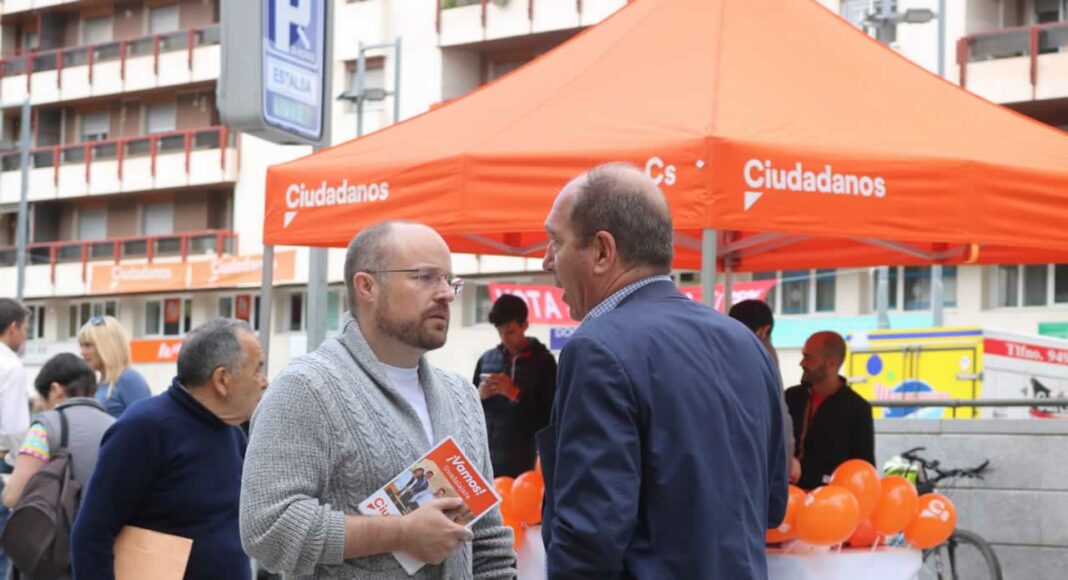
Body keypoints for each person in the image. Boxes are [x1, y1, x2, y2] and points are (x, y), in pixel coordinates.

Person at [537, 163, 787, 578]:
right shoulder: (745, 342)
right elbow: (772, 505)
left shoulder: (597, 347)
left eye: (555, 242)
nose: (547, 260)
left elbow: (590, 538)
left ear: (602, 252)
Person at [240, 221, 515, 579]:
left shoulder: (461, 395)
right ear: (367, 286)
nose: (446, 294)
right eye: (425, 277)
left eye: (449, 280)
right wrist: (400, 533)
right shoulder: (306, 388)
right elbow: (268, 528)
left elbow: (487, 540)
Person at [71, 319, 267, 579]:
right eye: (257, 370)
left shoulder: (232, 433)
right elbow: (91, 534)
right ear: (222, 379)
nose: (264, 382)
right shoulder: (145, 428)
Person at [2, 353, 114, 510]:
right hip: (107, 522)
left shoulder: (45, 428)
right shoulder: (116, 426)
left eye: (42, 397)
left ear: (56, 390)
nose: (40, 404)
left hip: (61, 523)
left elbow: (13, 496)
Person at [472, 294, 556, 478]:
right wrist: (479, 396)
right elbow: (469, 408)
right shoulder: (486, 359)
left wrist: (516, 395)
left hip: (525, 462)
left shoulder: (544, 363)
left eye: (510, 332)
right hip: (486, 457)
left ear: (525, 325)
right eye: (500, 332)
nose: (505, 339)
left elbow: (551, 416)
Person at [785, 331, 875, 490]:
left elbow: (864, 470)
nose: (802, 363)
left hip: (830, 499)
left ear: (831, 363)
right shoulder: (790, 397)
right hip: (786, 496)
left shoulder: (857, 409)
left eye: (808, 358)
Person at [729, 299, 802, 484]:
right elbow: (780, 415)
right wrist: (787, 461)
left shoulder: (714, 350)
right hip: (756, 467)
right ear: (765, 330)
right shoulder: (762, 352)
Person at [0, 299, 30, 580]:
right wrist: (19, 463)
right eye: (25, 328)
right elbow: (14, 427)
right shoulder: (10, 364)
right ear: (13, 327)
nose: (26, 336)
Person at [78, 316, 151, 418]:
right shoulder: (99, 384)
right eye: (81, 346)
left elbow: (147, 421)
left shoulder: (129, 379)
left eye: (88, 345)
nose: (82, 352)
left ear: (107, 346)